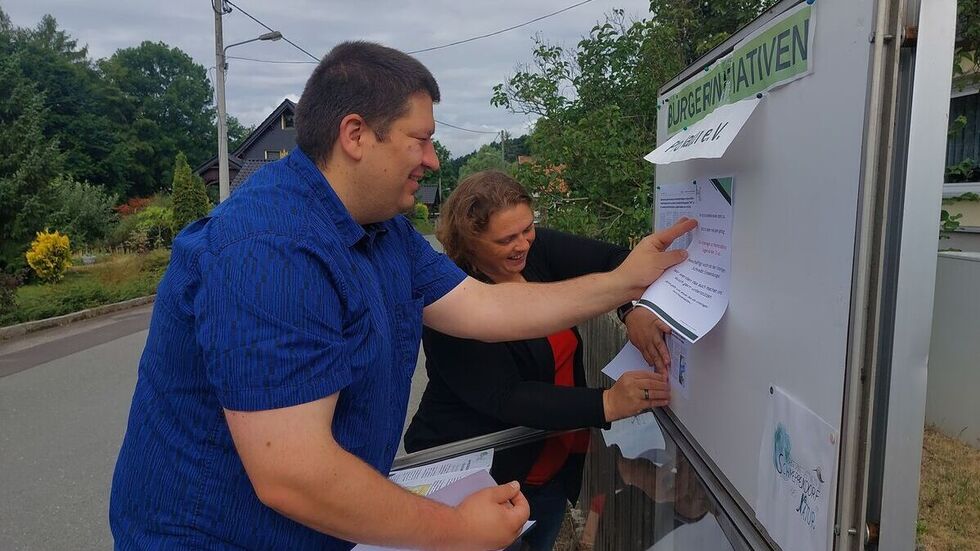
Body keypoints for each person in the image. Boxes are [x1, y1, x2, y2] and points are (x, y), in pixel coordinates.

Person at [109, 40, 696, 551]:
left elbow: (486, 306)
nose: (433, 160)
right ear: (357, 135)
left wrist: (627, 282)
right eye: (421, 140)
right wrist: (456, 529)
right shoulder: (270, 248)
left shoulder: (382, 228)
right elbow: (295, 475)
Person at [404, 171, 676, 551]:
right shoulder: (449, 297)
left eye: (527, 229)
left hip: (550, 470)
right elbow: (507, 397)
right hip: (480, 480)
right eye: (505, 239)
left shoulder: (536, 251)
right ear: (470, 241)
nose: (522, 245)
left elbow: (617, 263)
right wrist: (608, 403)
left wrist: (633, 310)